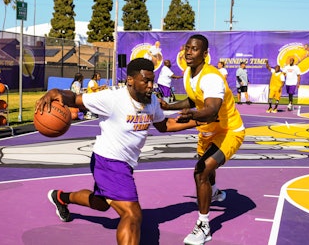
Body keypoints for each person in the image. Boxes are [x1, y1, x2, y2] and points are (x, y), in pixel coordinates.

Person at [36, 58, 196, 245]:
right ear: (130, 80)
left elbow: (165, 125)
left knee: (101, 204)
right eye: (146, 81)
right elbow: (76, 99)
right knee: (132, 213)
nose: (151, 86)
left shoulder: (151, 100)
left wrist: (198, 122)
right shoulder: (112, 98)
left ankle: (61, 197)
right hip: (108, 161)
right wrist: (56, 92)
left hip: (125, 164)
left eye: (152, 80)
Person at [160, 34, 245, 244]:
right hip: (208, 131)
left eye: (194, 49)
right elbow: (194, 97)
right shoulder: (189, 73)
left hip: (229, 130)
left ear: (204, 54)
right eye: (187, 48)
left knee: (201, 171)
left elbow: (210, 109)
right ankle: (214, 192)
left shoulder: (211, 77)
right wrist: (169, 106)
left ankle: (204, 225)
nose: (189, 52)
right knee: (206, 170)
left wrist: (191, 115)